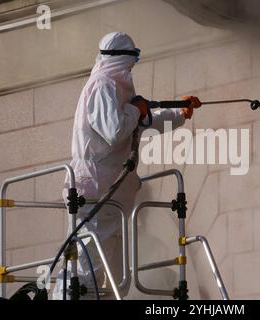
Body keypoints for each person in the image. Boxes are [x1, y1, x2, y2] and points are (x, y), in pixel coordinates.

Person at [52, 32, 201, 299]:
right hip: (96, 192)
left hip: (112, 196)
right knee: (85, 273)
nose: (133, 66)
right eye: (134, 58)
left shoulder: (115, 89)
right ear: (123, 58)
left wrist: (180, 113)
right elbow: (115, 129)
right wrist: (137, 110)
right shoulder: (103, 85)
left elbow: (143, 123)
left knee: (114, 277)